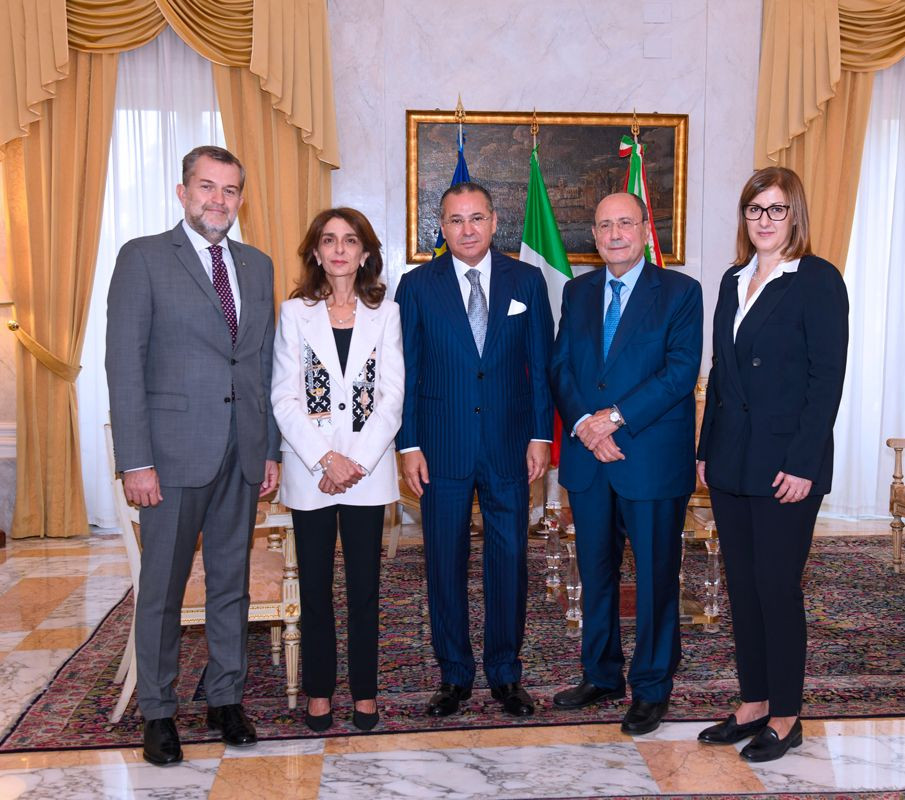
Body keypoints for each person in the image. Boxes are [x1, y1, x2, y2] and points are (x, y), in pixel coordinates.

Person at [105, 145, 280, 765]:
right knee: (163, 587)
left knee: (230, 583)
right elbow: (123, 365)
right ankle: (158, 711)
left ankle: (225, 697)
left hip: (242, 454)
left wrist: (270, 449)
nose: (218, 200)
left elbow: (261, 363)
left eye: (230, 190)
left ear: (240, 198)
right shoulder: (144, 258)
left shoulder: (257, 267)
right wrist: (136, 461)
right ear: (182, 192)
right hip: (172, 457)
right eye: (207, 187)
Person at [695, 166, 848, 762]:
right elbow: (722, 375)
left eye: (775, 210)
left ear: (795, 216)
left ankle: (786, 715)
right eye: (755, 210)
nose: (764, 221)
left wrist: (804, 462)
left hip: (787, 463)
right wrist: (706, 450)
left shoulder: (815, 280)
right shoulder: (733, 280)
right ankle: (753, 702)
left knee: (777, 588)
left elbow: (825, 379)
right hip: (731, 460)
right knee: (741, 587)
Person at [395, 181, 555, 718]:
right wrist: (409, 443)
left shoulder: (526, 281)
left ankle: (506, 675)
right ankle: (454, 675)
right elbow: (407, 372)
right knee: (445, 563)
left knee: (509, 561)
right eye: (456, 220)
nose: (467, 229)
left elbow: (541, 367)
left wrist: (540, 435)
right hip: (440, 449)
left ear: (494, 222)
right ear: (441, 228)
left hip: (512, 447)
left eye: (477, 218)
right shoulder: (416, 286)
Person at [549, 192, 703, 735]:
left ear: (645, 229)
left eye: (625, 223)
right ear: (593, 235)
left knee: (658, 575)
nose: (615, 234)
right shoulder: (577, 290)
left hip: (650, 458)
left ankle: (653, 687)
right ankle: (602, 674)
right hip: (591, 459)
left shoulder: (681, 292)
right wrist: (587, 429)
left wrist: (611, 419)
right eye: (604, 224)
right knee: (595, 574)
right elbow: (561, 365)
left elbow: (681, 372)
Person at [271, 208, 403, 733]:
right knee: (316, 588)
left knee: (366, 589)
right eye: (329, 240)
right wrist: (326, 459)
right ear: (316, 252)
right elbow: (283, 396)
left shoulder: (386, 313)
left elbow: (392, 397)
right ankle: (320, 690)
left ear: (365, 253)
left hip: (367, 475)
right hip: (311, 472)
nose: (340, 249)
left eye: (351, 241)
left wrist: (356, 462)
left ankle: (365, 693)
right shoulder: (294, 312)